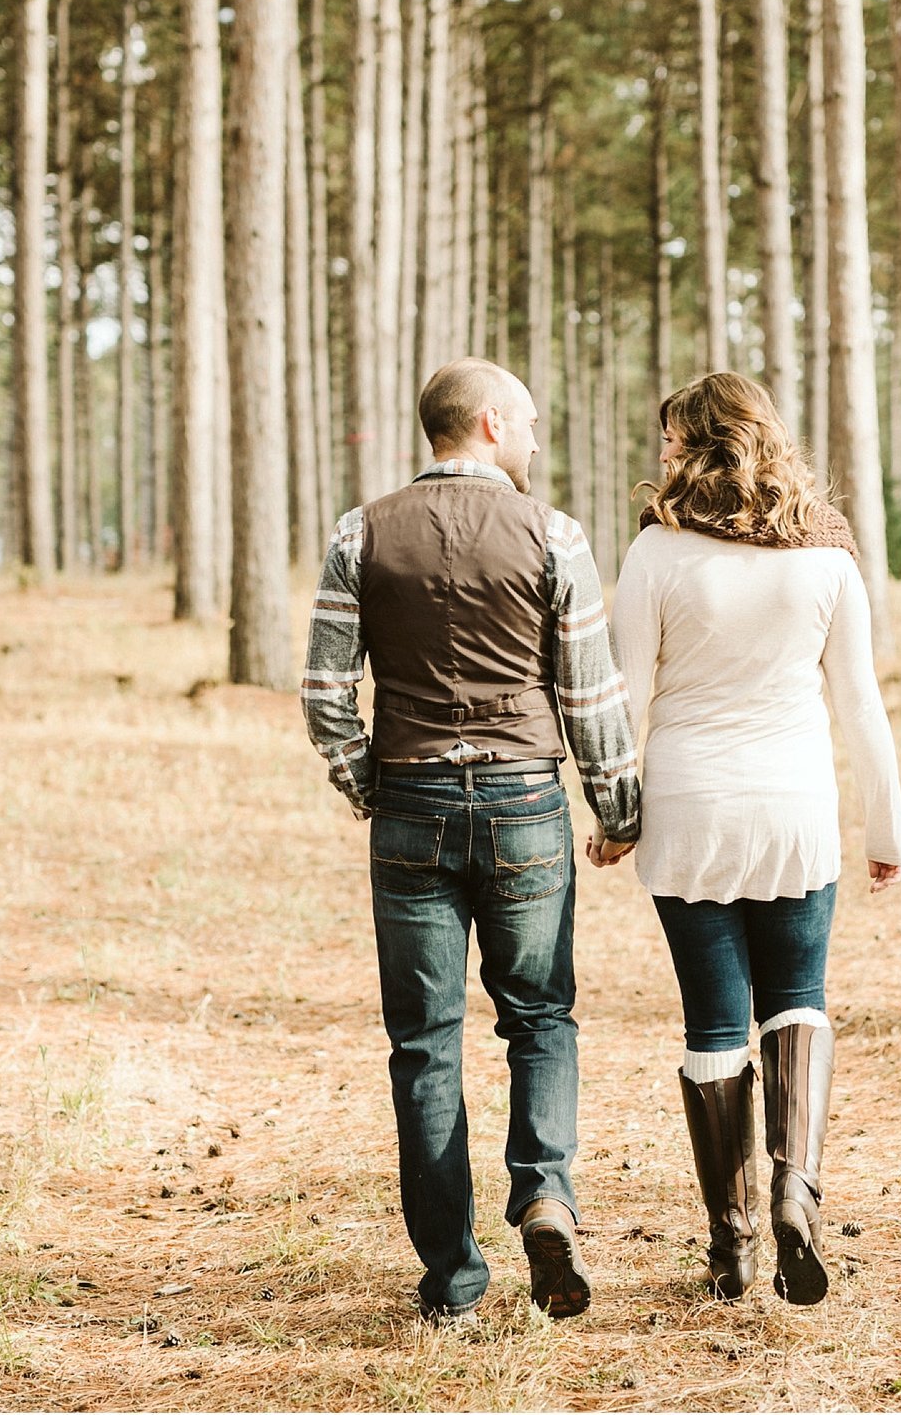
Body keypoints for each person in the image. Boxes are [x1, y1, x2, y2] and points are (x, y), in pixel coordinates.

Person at [300, 358, 643, 1328]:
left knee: (423, 1043)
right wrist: (617, 808)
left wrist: (371, 780)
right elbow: (587, 692)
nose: (537, 441)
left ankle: (452, 1276)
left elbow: (325, 693)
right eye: (529, 424)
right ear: (489, 424)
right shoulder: (555, 534)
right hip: (525, 801)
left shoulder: (360, 531)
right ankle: (543, 1195)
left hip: (409, 803)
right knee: (538, 1016)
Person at [598, 371, 901, 1306]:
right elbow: (860, 702)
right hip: (795, 808)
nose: (661, 458)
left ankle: (730, 1242)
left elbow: (627, 696)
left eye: (671, 441)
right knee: (799, 1001)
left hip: (693, 808)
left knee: (714, 1023)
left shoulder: (657, 552)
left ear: (704, 443)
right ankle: (794, 1192)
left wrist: (615, 814)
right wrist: (885, 822)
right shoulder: (827, 555)